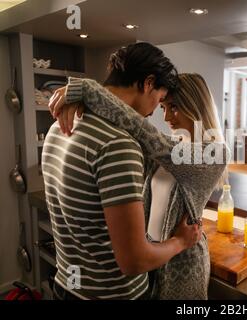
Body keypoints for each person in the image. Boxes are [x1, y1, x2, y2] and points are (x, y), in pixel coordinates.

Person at [42, 42, 203, 300]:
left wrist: (88, 90)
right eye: (159, 101)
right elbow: (134, 261)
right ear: (148, 83)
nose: (153, 113)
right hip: (111, 294)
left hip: (66, 285)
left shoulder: (59, 126)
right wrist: (181, 242)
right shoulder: (117, 145)